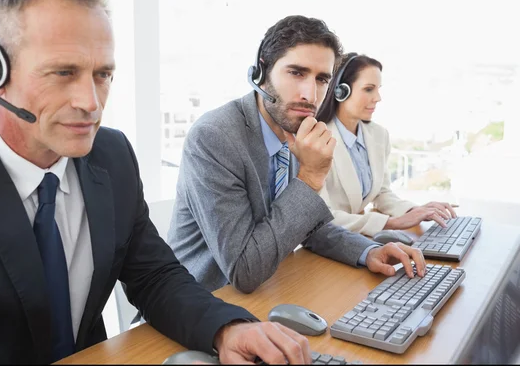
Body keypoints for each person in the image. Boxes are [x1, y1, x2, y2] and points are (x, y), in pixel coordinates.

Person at [0, 0, 315, 364]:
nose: (91, 102)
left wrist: (227, 329)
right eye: (63, 73)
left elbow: (154, 277)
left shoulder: (112, 155)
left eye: (102, 74)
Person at [167, 16, 426, 295]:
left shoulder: (292, 129)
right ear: (261, 72)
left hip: (269, 290)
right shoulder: (214, 137)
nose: (310, 94)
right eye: (297, 73)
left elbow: (310, 227)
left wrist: (368, 252)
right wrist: (310, 177)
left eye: (322, 79)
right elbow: (244, 270)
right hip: (203, 301)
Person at [315, 53, 457, 237]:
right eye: (368, 89)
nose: (378, 98)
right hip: (327, 241)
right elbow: (322, 215)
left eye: (378, 89)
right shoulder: (317, 139)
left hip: (360, 237)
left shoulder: (378, 135)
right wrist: (393, 223)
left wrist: (414, 211)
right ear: (340, 91)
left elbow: (381, 193)